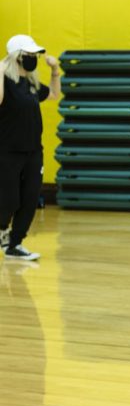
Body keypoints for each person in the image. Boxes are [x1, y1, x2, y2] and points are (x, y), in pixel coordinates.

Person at [0, 35, 61, 261]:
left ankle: (14, 244)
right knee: (9, 199)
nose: (33, 59)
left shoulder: (32, 84)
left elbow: (54, 95)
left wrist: (55, 71)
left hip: (33, 151)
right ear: (16, 57)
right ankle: (2, 230)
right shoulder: (5, 80)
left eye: (35, 55)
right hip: (8, 151)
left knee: (30, 198)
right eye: (29, 55)